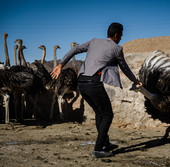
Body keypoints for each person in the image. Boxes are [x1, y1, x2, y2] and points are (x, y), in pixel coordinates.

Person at [51, 22, 142, 158]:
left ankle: (105, 143)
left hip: (81, 82)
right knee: (108, 115)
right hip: (93, 83)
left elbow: (75, 49)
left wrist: (61, 64)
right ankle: (98, 149)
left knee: (100, 113)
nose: (121, 38)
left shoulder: (93, 41)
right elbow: (124, 67)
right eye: (121, 35)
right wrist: (135, 80)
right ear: (116, 35)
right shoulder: (117, 49)